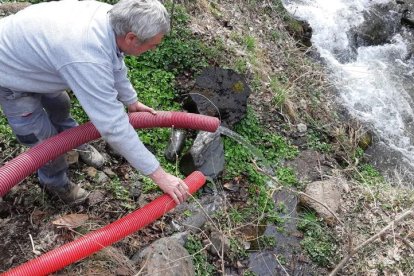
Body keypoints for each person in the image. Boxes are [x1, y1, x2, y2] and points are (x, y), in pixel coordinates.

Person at [0, 0, 189, 204]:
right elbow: (113, 126)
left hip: (37, 59)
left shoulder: (111, 18)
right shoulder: (87, 54)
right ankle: (54, 181)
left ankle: (75, 144)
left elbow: (115, 59)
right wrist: (160, 175)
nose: (153, 50)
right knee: (43, 142)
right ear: (132, 38)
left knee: (61, 105)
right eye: (153, 45)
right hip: (10, 74)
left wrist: (131, 100)